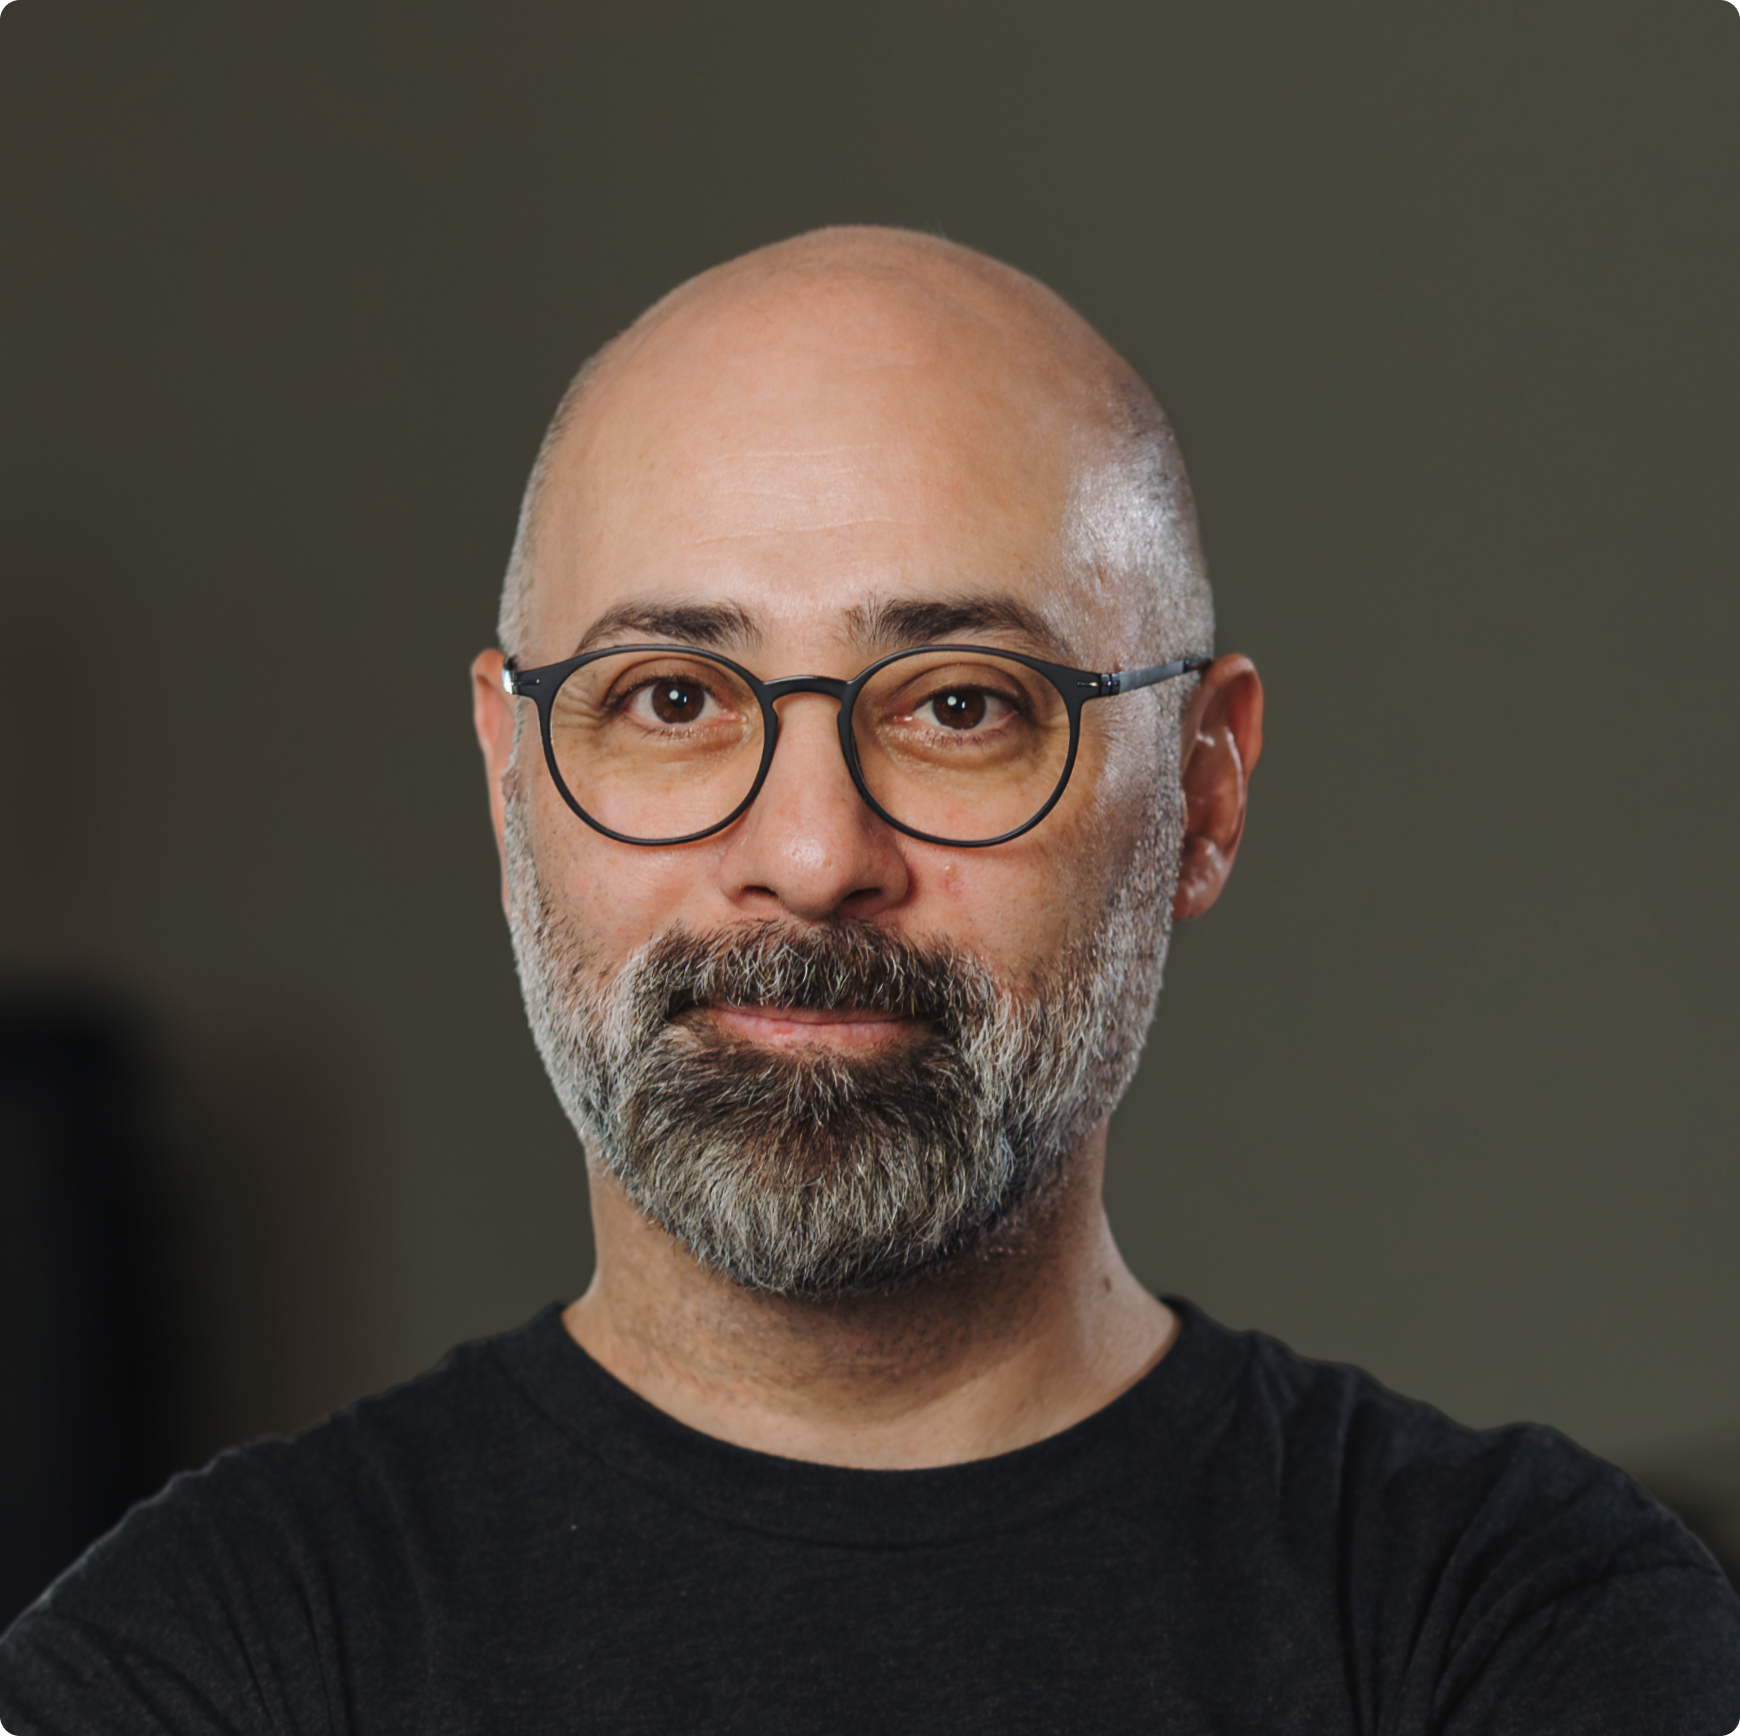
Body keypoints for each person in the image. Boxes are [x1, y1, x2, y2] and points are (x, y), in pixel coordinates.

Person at [1, 226, 1735, 1735]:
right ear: (510, 779)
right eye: (673, 699)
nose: (815, 851)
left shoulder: (1519, 1633)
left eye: (963, 704)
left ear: (1202, 796)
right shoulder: (193, 1669)